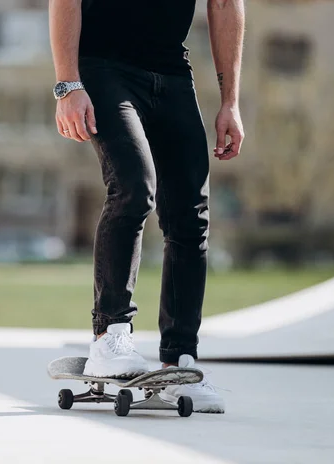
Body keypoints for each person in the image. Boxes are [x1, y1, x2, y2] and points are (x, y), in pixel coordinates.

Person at [49, 0, 244, 413]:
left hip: (172, 72)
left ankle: (180, 361)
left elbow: (225, 4)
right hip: (102, 67)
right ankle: (110, 334)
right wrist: (68, 83)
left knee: (191, 216)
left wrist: (230, 101)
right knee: (133, 188)